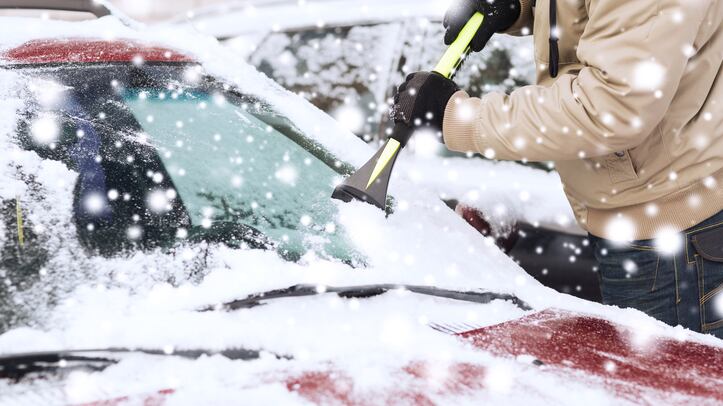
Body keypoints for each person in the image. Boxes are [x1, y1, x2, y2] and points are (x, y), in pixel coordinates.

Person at [391, 0, 723, 338]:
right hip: (642, 214)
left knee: (663, 370)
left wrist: (457, 116)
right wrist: (519, 6)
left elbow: (609, 108)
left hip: (672, 236)